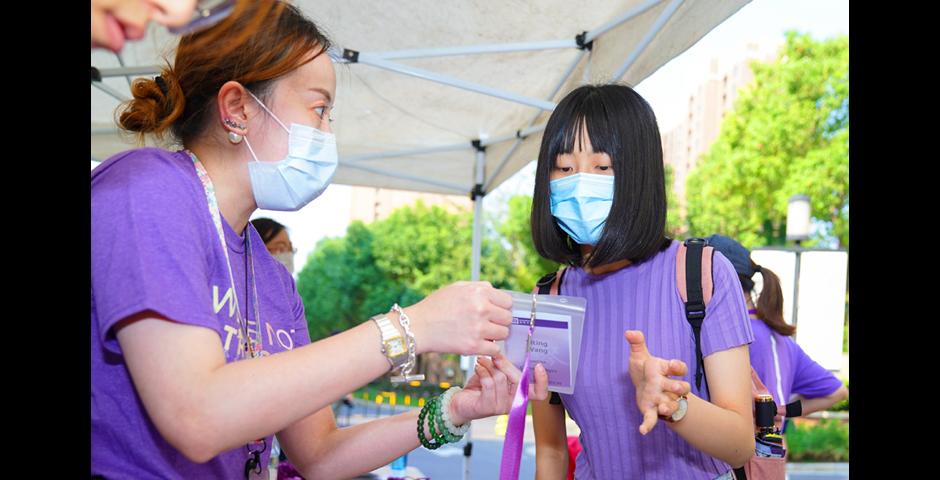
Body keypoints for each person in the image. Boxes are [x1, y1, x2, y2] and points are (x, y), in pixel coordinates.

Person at [91, 2, 548, 478]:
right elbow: (197, 415)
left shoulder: (269, 278)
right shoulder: (147, 190)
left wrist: (452, 410)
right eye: (319, 109)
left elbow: (319, 453)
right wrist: (413, 326)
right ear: (237, 109)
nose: (327, 132)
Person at [530, 84, 755, 480]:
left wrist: (674, 405)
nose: (580, 183)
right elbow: (550, 451)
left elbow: (741, 442)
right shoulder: (548, 297)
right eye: (564, 168)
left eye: (602, 167)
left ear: (638, 175)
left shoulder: (703, 273)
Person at [704, 235, 848, 430]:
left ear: (717, 279)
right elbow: (837, 392)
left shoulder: (731, 337)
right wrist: (781, 413)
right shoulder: (781, 339)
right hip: (771, 454)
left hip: (738, 455)